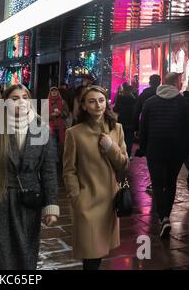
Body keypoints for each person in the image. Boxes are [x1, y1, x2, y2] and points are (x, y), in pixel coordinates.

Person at [0, 84, 60, 270]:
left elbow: (49, 171)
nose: (21, 102)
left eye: (25, 97)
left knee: (26, 258)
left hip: (28, 203)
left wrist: (51, 205)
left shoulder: (41, 131)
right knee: (1, 258)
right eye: (15, 98)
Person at [63, 85, 129, 270]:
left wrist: (110, 148)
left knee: (98, 254)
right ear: (83, 105)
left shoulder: (117, 129)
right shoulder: (74, 133)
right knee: (90, 255)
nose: (98, 105)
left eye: (101, 100)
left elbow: (124, 164)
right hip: (86, 201)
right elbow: (69, 170)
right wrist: (76, 197)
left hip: (109, 200)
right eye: (91, 101)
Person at [138, 72, 189, 238]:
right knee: (170, 182)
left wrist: (142, 148)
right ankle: (166, 216)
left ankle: (163, 217)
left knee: (157, 183)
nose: (182, 83)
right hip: (176, 150)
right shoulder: (184, 104)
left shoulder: (150, 103)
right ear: (176, 83)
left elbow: (143, 129)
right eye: (180, 81)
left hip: (155, 149)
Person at [133, 74, 161, 192]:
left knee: (151, 155)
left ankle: (155, 181)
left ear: (150, 82)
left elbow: (136, 110)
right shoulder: (162, 93)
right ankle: (160, 180)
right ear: (159, 82)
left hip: (148, 128)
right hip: (162, 128)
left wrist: (136, 127)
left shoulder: (144, 94)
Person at [113, 83, 137, 158]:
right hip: (130, 122)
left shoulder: (120, 98)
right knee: (129, 140)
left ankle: (121, 154)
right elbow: (136, 111)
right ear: (131, 91)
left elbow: (115, 109)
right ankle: (128, 155)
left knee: (120, 138)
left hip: (121, 121)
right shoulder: (134, 99)